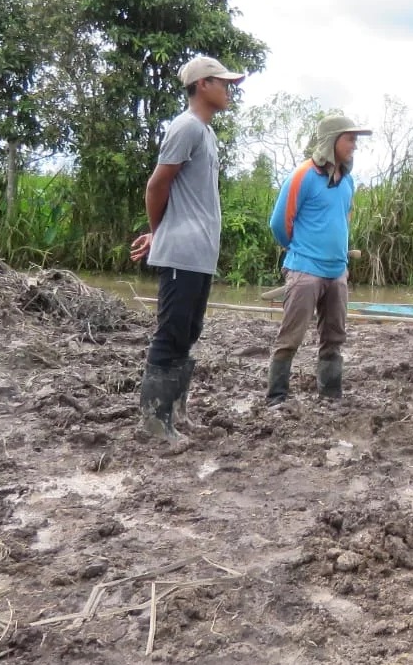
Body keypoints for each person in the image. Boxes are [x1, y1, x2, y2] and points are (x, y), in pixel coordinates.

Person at [130, 55, 247, 440]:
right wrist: (159, 231)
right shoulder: (187, 128)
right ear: (202, 85)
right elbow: (156, 185)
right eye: (222, 82)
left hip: (198, 253)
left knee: (189, 331)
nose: (228, 90)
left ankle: (176, 413)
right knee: (172, 333)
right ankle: (154, 423)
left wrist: (160, 231)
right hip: (182, 251)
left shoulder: (207, 133)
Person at [265, 112, 371, 404]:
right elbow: (278, 224)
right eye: (350, 139)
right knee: (290, 338)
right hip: (305, 270)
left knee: (334, 339)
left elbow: (344, 219)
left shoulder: (348, 182)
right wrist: (299, 249)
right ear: (332, 141)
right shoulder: (302, 177)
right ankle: (277, 399)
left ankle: (331, 395)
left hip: (337, 272)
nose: (354, 145)